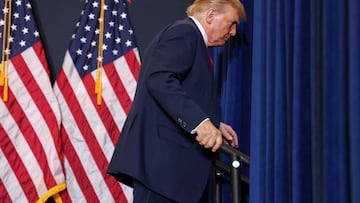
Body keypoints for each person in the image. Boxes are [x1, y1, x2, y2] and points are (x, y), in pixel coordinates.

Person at [107, 0, 247, 202]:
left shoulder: (192, 40)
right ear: (210, 15)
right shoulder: (184, 32)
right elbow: (160, 79)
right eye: (231, 23)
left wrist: (213, 124)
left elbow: (182, 92)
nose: (233, 32)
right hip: (163, 174)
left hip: (175, 177)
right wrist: (200, 123)